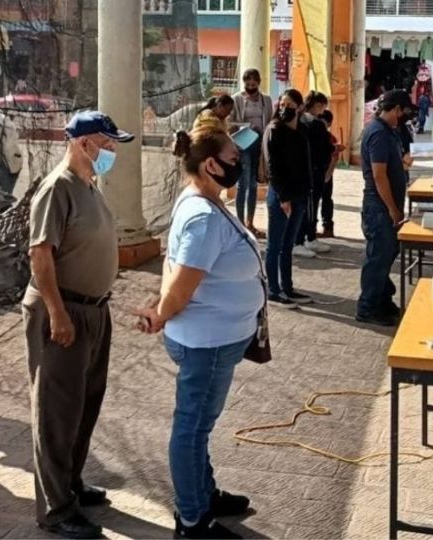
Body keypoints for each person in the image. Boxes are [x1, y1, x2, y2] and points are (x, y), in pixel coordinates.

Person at [135, 126, 259, 539]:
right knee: (191, 429)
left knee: (199, 425)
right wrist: (160, 313)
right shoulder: (204, 217)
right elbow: (181, 285)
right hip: (205, 342)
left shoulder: (204, 199)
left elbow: (175, 269)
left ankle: (203, 493)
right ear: (210, 165)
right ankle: (193, 519)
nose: (240, 164)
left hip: (216, 339)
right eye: (233, 159)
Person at [23, 110, 134, 539]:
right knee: (57, 411)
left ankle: (70, 482)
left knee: (85, 405)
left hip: (93, 311)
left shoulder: (90, 185)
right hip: (64, 311)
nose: (111, 152)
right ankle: (55, 509)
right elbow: (41, 256)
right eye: (107, 144)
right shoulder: (58, 189)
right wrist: (56, 312)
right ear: (83, 143)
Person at [356, 90, 413, 326]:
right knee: (378, 256)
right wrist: (392, 209)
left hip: (385, 206)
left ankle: (381, 299)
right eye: (403, 112)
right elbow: (379, 175)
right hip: (379, 207)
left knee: (388, 253)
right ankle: (368, 307)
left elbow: (390, 165)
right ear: (396, 109)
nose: (403, 118)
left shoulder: (389, 132)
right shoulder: (378, 133)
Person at [263, 89, 314, 308]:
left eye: (290, 105)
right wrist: (283, 197)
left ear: (300, 107)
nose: (285, 108)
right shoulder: (275, 130)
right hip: (281, 196)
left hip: (299, 194)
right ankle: (273, 290)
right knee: (275, 245)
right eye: (282, 104)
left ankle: (287, 287)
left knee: (288, 245)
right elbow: (273, 168)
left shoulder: (302, 130)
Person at [230, 69, 273, 235]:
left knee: (254, 184)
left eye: (253, 85)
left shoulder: (266, 100)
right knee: (243, 184)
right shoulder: (237, 99)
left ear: (259, 84)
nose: (251, 88)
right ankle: (240, 223)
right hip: (243, 143)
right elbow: (231, 121)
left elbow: (269, 120)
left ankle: (251, 222)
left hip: (259, 144)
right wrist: (246, 126)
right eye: (248, 85)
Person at [293, 91, 335, 258]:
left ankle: (309, 237)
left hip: (310, 170)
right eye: (322, 106)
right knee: (308, 207)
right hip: (312, 171)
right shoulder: (314, 124)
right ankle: (301, 240)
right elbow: (325, 148)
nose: (323, 110)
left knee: (310, 206)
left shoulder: (300, 121)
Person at [318, 109, 344, 238]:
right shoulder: (313, 135)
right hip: (315, 172)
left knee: (326, 199)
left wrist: (328, 174)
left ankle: (328, 227)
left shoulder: (331, 138)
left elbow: (334, 158)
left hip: (327, 172)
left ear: (329, 124)